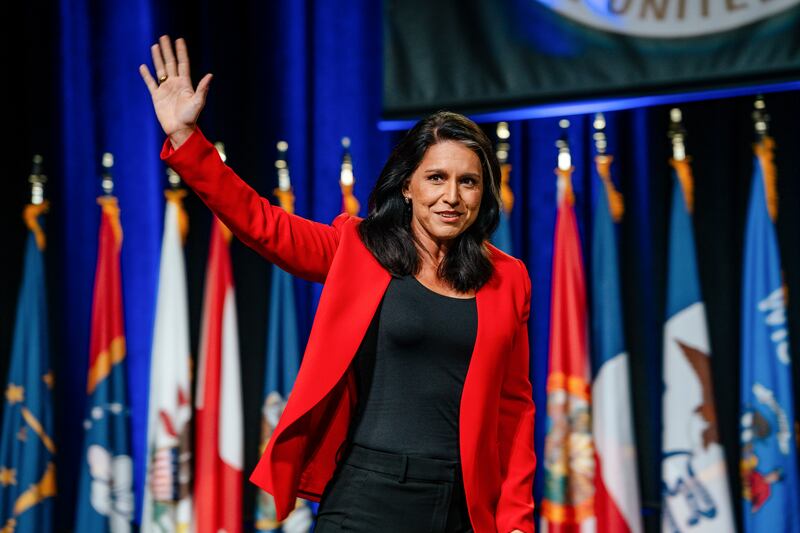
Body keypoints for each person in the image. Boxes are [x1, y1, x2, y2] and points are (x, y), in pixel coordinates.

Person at [140, 35, 535, 533]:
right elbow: (264, 225)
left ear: (484, 192)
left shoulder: (508, 278)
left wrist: (517, 519)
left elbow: (514, 409)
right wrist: (186, 141)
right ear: (408, 185)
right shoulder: (359, 248)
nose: (451, 196)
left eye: (468, 181)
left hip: (461, 504)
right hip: (368, 494)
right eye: (436, 178)